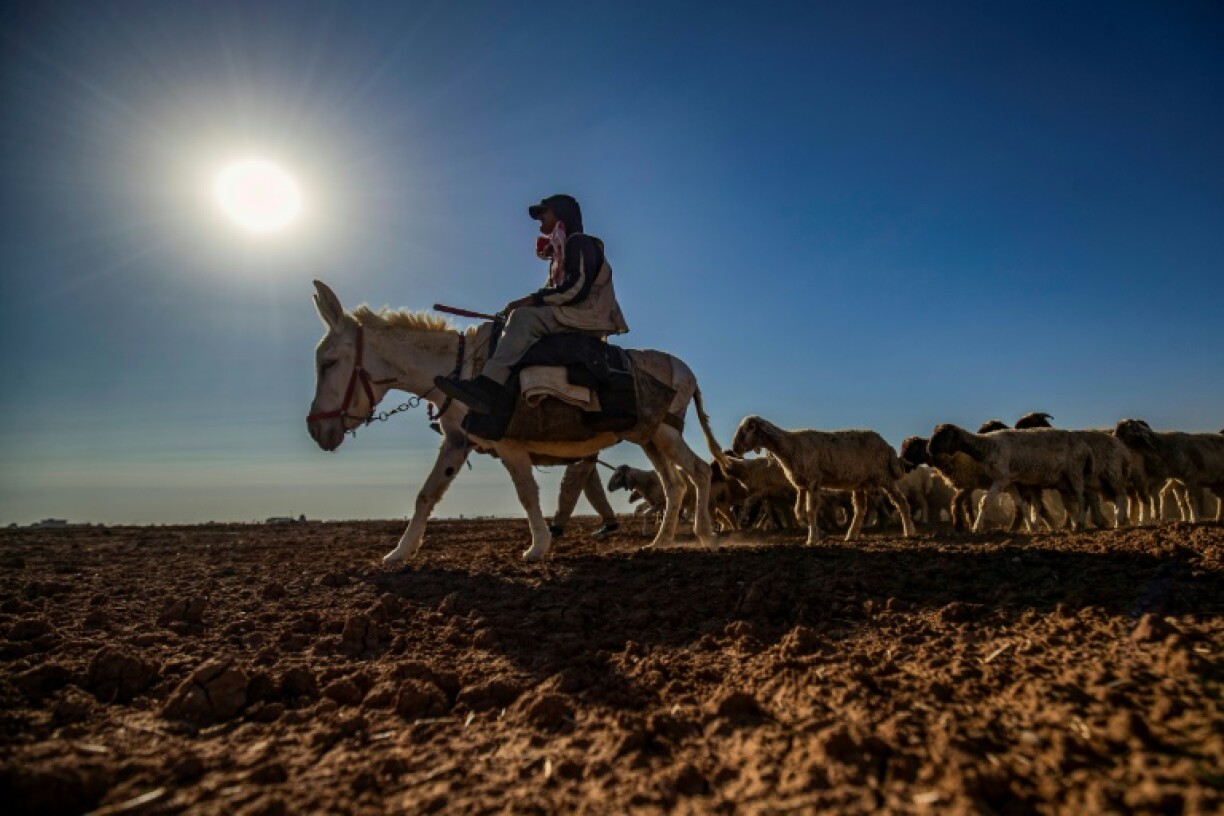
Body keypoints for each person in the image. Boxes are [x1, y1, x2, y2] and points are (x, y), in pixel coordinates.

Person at [435, 194, 629, 413]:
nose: (539, 220)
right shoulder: (564, 249)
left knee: (522, 318)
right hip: (574, 313)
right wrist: (530, 301)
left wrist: (528, 302)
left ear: (560, 214)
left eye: (543, 213)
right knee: (517, 318)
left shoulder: (578, 242)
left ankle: (489, 387)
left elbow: (576, 288)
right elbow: (555, 292)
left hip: (586, 316)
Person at [551, 457, 620, 538]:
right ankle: (611, 524)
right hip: (586, 454)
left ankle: (557, 528)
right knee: (593, 491)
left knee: (569, 489)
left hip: (580, 455)